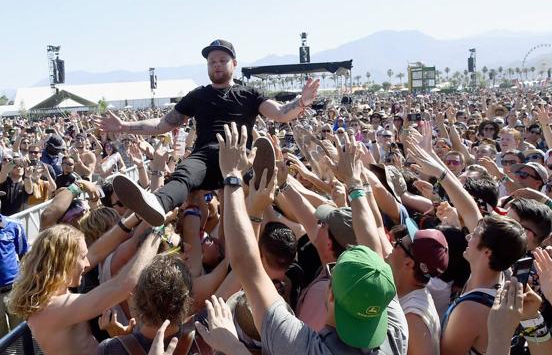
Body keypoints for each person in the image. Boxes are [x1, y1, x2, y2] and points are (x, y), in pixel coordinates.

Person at [213, 123, 408, 354]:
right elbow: (373, 251)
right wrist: (354, 185)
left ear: (331, 293)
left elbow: (247, 267)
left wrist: (233, 176)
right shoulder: (395, 332)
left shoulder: (304, 348)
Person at [96, 39, 320, 226]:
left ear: (234, 63)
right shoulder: (198, 96)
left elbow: (280, 113)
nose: (217, 65)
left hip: (238, 157)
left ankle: (316, 220)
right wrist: (123, 126)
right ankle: (159, 204)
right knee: (183, 174)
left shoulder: (249, 93)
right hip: (204, 158)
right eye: (212, 61)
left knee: (269, 189)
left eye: (222, 60)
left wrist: (301, 102)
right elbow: (162, 125)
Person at [7, 221, 161, 355]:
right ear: (64, 262)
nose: (87, 263)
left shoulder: (54, 293)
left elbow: (97, 252)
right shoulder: (53, 307)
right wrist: (157, 232)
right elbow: (123, 285)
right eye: (82, 257)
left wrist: (133, 218)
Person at [440, 215, 527, 355]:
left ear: (487, 252)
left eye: (474, 234)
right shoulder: (499, 276)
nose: (468, 237)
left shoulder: (472, 309)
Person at [390, 227, 449, 355]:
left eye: (398, 243)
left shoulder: (413, 317)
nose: (393, 243)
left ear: (408, 264)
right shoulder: (410, 292)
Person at [0, 208, 27, 336]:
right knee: (2, 338)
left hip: (13, 290)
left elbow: (24, 255)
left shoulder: (14, 225)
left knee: (20, 332)